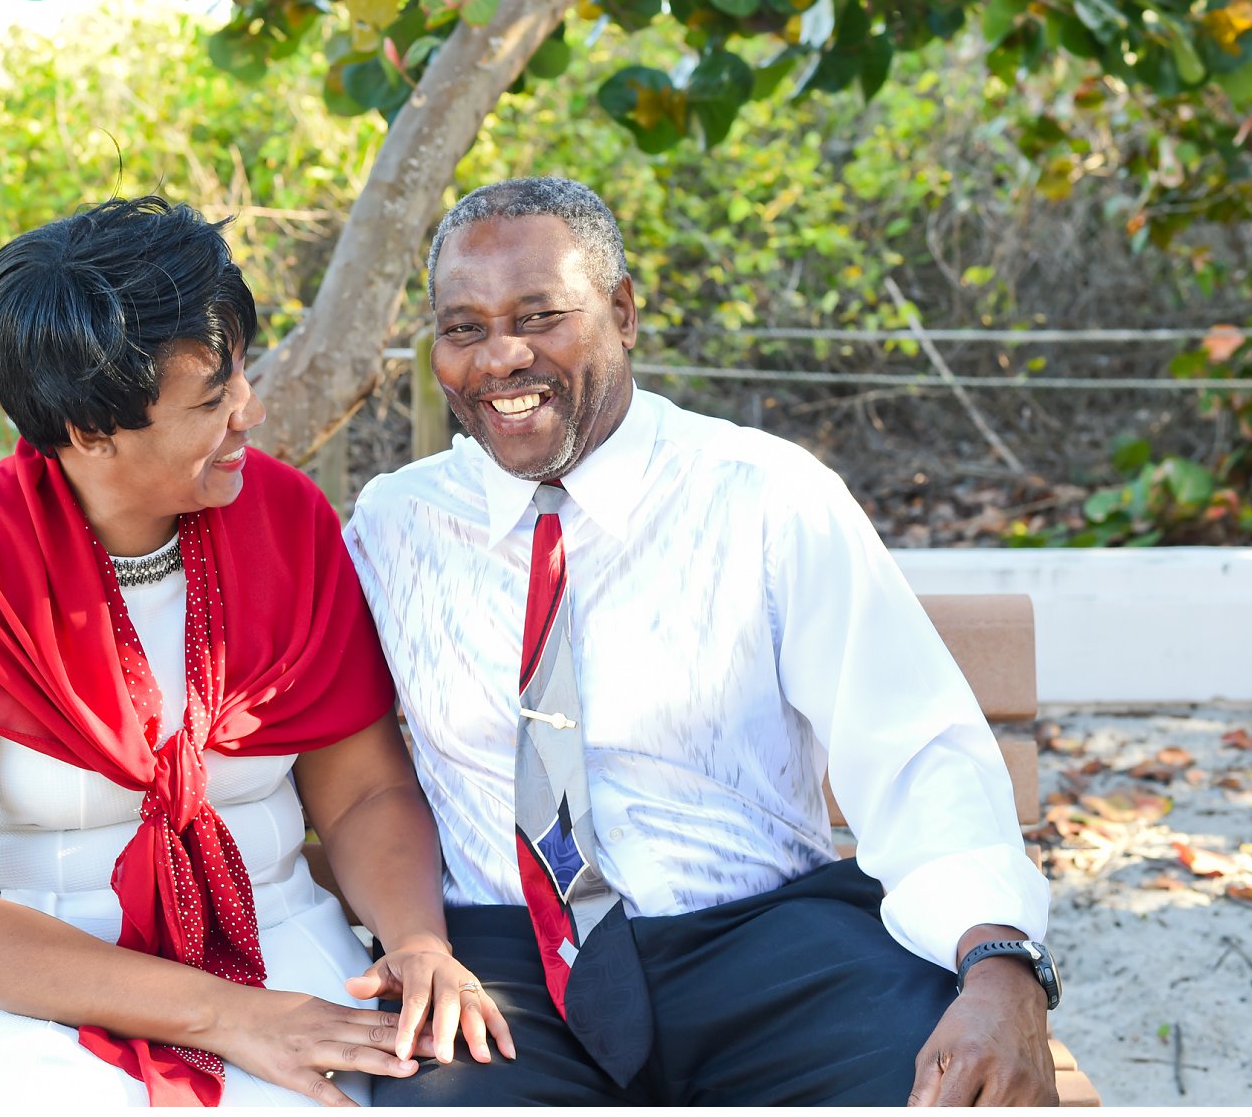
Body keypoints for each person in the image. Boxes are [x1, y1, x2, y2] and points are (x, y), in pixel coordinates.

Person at [346, 178, 1060, 1108]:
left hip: (769, 950)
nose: (502, 358)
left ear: (624, 310)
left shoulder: (766, 496)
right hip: (503, 966)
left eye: (539, 315)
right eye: (464, 328)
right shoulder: (395, 524)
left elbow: (916, 749)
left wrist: (999, 960)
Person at [0, 198, 509, 1109]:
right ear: (87, 431)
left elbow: (362, 790)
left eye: (239, 374)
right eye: (212, 399)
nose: (250, 410)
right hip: (24, 985)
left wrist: (415, 943)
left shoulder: (287, 524)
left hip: (276, 947)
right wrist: (224, 1016)